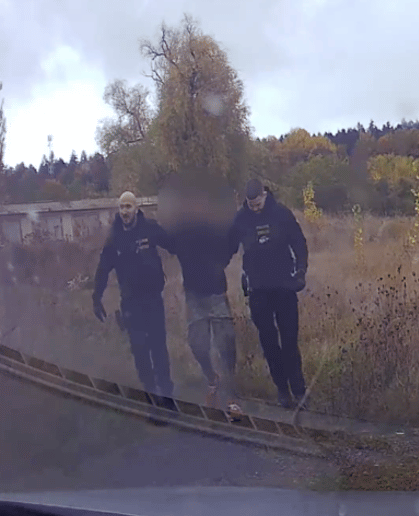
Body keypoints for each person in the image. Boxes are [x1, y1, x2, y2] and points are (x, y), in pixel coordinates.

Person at [229, 178, 309, 409]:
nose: (254, 208)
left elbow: (299, 243)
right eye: (250, 204)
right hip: (258, 289)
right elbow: (229, 246)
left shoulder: (281, 213)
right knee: (269, 341)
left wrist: (301, 271)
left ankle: (299, 389)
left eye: (257, 204)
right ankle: (282, 390)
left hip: (284, 286)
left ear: (264, 194)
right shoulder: (241, 218)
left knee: (290, 340)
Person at [165, 190, 243, 422]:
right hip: (194, 296)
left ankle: (232, 399)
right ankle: (212, 378)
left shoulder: (217, 227)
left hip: (216, 292)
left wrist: (219, 266)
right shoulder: (181, 230)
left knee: (226, 344)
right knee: (197, 344)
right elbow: (166, 243)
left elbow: (232, 244)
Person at [92, 191, 175, 406]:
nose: (125, 212)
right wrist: (96, 297)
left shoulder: (149, 228)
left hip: (153, 299)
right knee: (140, 351)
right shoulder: (115, 237)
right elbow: (103, 268)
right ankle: (152, 400)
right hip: (130, 304)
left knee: (158, 348)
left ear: (136, 208)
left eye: (128, 207)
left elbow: (174, 244)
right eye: (121, 207)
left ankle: (167, 398)